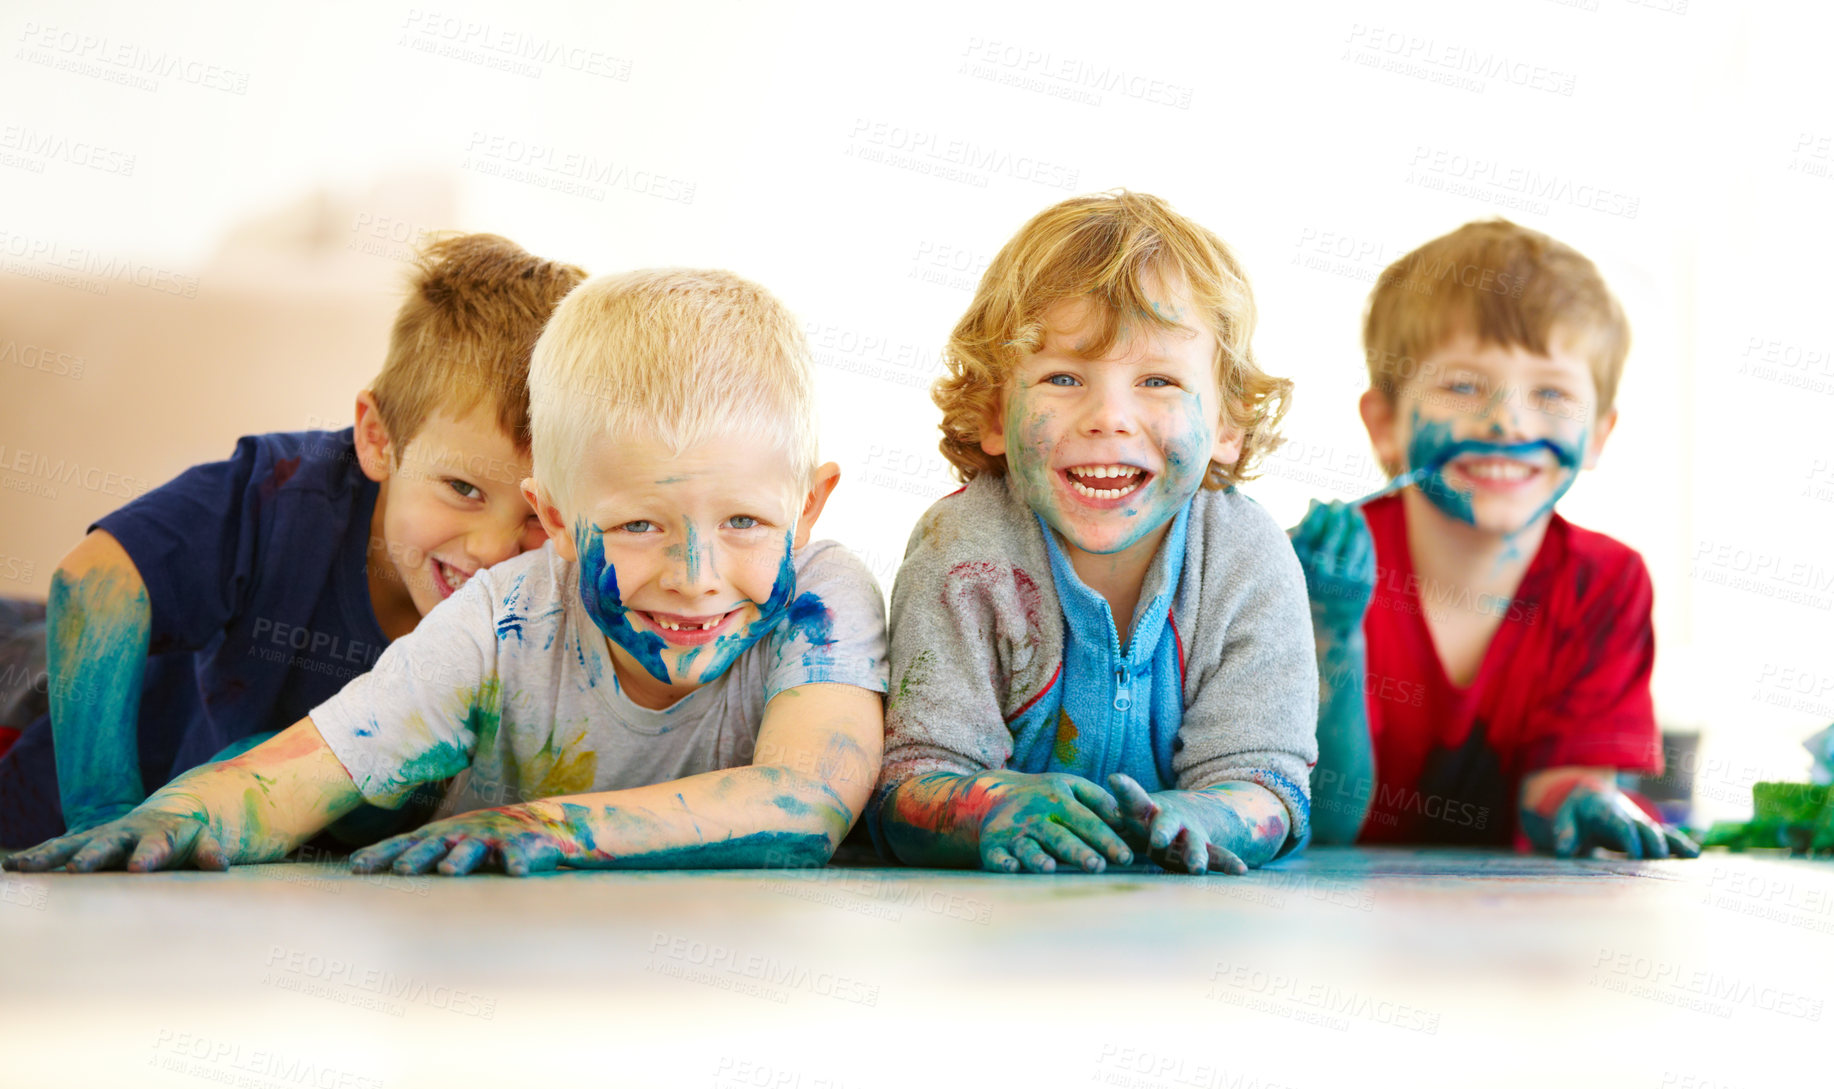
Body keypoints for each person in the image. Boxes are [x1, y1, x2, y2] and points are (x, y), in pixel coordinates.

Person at [4, 268, 887, 876]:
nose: (696, 576)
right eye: (638, 526)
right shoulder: (504, 619)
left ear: (807, 509)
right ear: (558, 522)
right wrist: (170, 818)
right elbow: (303, 769)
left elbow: (806, 800)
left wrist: (548, 826)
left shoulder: (821, 598)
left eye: (744, 522)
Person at [0, 233, 584, 848]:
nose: (493, 551)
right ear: (379, 440)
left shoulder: (570, 592)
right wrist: (102, 811)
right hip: (35, 708)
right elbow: (94, 582)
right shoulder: (290, 493)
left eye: (535, 517)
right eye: (462, 488)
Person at [870, 191, 1317, 876]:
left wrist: (1207, 813)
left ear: (1228, 425)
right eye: (1063, 377)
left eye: (1158, 380)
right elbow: (911, 782)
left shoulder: (1246, 559)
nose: (1109, 416)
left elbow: (1270, 783)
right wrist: (986, 808)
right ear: (994, 412)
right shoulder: (961, 549)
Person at [1294, 219, 1698, 859]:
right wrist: (1327, 627)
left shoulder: (1605, 582)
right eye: (1462, 386)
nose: (1508, 420)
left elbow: (1556, 789)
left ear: (1598, 434)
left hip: (1527, 937)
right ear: (1385, 425)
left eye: (1552, 393)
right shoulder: (1323, 570)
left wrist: (1586, 800)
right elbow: (1320, 816)